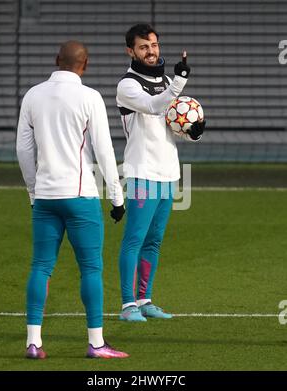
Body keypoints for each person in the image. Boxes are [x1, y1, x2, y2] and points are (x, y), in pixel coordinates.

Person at [17, 41, 128, 358]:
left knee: (40, 266)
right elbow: (105, 152)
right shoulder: (90, 97)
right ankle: (96, 343)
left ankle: (34, 343)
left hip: (46, 198)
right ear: (86, 64)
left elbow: (23, 150)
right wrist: (117, 200)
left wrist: (33, 192)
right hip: (81, 197)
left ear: (56, 61)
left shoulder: (33, 96)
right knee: (91, 269)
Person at [116, 24, 205, 321]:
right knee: (134, 239)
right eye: (144, 46)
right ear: (131, 51)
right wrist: (179, 83)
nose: (151, 51)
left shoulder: (167, 81)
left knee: (153, 241)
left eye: (153, 45)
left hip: (168, 173)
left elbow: (173, 126)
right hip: (142, 172)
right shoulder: (127, 85)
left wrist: (194, 132)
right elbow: (154, 106)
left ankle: (145, 300)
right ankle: (128, 305)